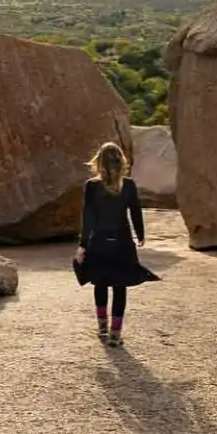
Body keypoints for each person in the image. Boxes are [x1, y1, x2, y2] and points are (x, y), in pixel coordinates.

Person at [74, 141, 159, 347]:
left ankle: (102, 327)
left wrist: (83, 245)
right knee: (120, 287)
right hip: (122, 242)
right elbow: (135, 212)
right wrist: (140, 235)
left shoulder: (92, 186)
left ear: (99, 162)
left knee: (100, 283)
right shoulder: (129, 186)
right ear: (121, 162)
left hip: (99, 242)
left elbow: (89, 217)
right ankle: (115, 334)